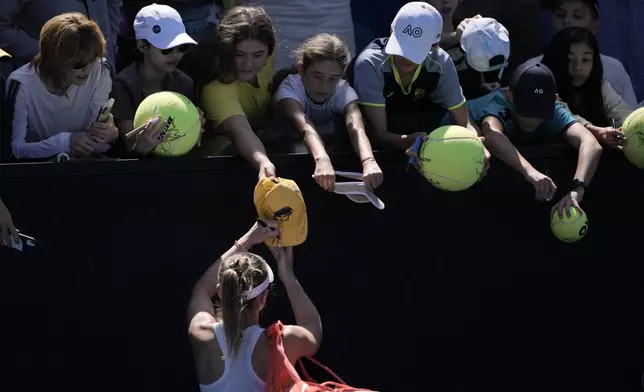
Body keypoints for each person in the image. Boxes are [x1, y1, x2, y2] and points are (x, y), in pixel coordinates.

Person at [442, 62, 602, 218]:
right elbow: (492, 135)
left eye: (540, 110)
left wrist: (577, 190)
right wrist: (531, 172)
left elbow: (590, 144)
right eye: (527, 109)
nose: (532, 118)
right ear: (509, 96)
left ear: (554, 100)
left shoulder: (555, 109)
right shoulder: (498, 102)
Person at [349, 1, 491, 176]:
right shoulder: (369, 64)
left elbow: (465, 122)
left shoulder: (442, 62)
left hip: (423, 126)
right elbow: (380, 134)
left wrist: (477, 148)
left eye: (414, 49)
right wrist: (410, 142)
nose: (404, 56)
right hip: (382, 134)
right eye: (401, 44)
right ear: (392, 32)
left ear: (434, 47)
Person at [188, 219, 322, 391]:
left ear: (220, 292)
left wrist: (247, 240)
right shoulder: (283, 342)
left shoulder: (200, 333)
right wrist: (288, 276)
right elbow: (313, 330)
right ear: (263, 299)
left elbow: (203, 288)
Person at [273, 33, 384, 192]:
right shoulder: (289, 89)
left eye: (333, 78)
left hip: (327, 151)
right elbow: (305, 127)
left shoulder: (343, 91)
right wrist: (322, 159)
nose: (324, 86)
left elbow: (357, 128)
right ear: (301, 70)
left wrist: (369, 161)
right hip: (286, 152)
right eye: (317, 76)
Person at [7, 13, 118, 161]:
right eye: (79, 64)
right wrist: (65, 142)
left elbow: (94, 145)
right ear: (54, 58)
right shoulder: (20, 84)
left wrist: (110, 136)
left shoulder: (101, 71)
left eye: (93, 59)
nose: (88, 69)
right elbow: (15, 150)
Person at [111, 4, 199, 156]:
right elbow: (131, 144)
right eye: (166, 49)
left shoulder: (185, 83)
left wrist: (195, 126)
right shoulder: (122, 84)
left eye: (182, 48)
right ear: (142, 46)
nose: (176, 55)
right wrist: (141, 146)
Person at [200, 5, 277, 180]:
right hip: (219, 166)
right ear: (225, 50)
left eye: (258, 55)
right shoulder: (216, 90)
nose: (248, 64)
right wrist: (263, 163)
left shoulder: (268, 57)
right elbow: (241, 130)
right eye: (239, 54)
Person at [528, 0, 638, 108]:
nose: (567, 21)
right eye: (560, 15)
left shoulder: (613, 69)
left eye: (577, 16)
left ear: (594, 26)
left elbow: (629, 116)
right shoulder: (533, 69)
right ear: (551, 21)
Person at [541, 26, 632, 150]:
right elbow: (563, 117)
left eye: (586, 59)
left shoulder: (601, 86)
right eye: (569, 60)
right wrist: (598, 132)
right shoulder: (543, 86)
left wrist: (630, 129)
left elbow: (623, 114)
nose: (578, 67)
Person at [0, 0, 121, 72]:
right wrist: (48, 55)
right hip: (48, 87)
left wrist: (108, 51)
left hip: (100, 78)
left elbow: (113, 4)